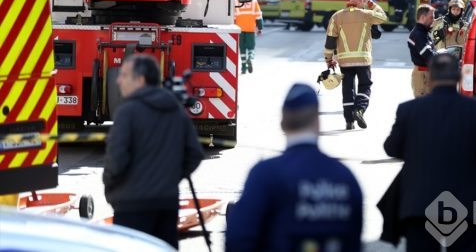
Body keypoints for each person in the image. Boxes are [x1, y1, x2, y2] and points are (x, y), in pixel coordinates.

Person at [383, 54, 476, 252]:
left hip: (420, 206)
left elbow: (391, 148)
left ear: (430, 78)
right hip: (466, 206)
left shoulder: (409, 110)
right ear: (459, 78)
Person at [226, 84, 363, 251]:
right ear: (317, 123)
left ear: (283, 124)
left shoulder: (265, 175)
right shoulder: (345, 177)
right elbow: (354, 241)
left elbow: (238, 239)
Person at [103, 54, 204, 248]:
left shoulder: (127, 111)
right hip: (167, 203)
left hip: (132, 204)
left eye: (124, 75)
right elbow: (194, 153)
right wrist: (170, 178)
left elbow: (116, 159)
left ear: (140, 80)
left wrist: (111, 186)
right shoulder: (174, 108)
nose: (118, 80)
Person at [324, 0, 387, 130]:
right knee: (365, 85)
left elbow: (330, 40)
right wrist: (371, 3)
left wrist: (329, 59)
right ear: (361, 1)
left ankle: (349, 121)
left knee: (348, 88)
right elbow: (383, 17)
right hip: (363, 59)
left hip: (344, 61)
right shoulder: (367, 15)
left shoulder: (337, 16)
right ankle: (359, 110)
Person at [408, 4, 437, 97]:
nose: (433, 20)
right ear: (423, 17)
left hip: (426, 74)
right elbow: (429, 55)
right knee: (424, 108)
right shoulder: (418, 34)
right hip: (423, 76)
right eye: (431, 17)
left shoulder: (423, 33)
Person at [235, 0, 263, 74]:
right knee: (251, 48)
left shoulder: (236, 2)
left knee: (242, 49)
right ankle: (250, 58)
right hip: (250, 29)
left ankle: (243, 68)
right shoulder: (254, 2)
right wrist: (260, 28)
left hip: (239, 29)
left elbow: (233, 17)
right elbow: (258, 16)